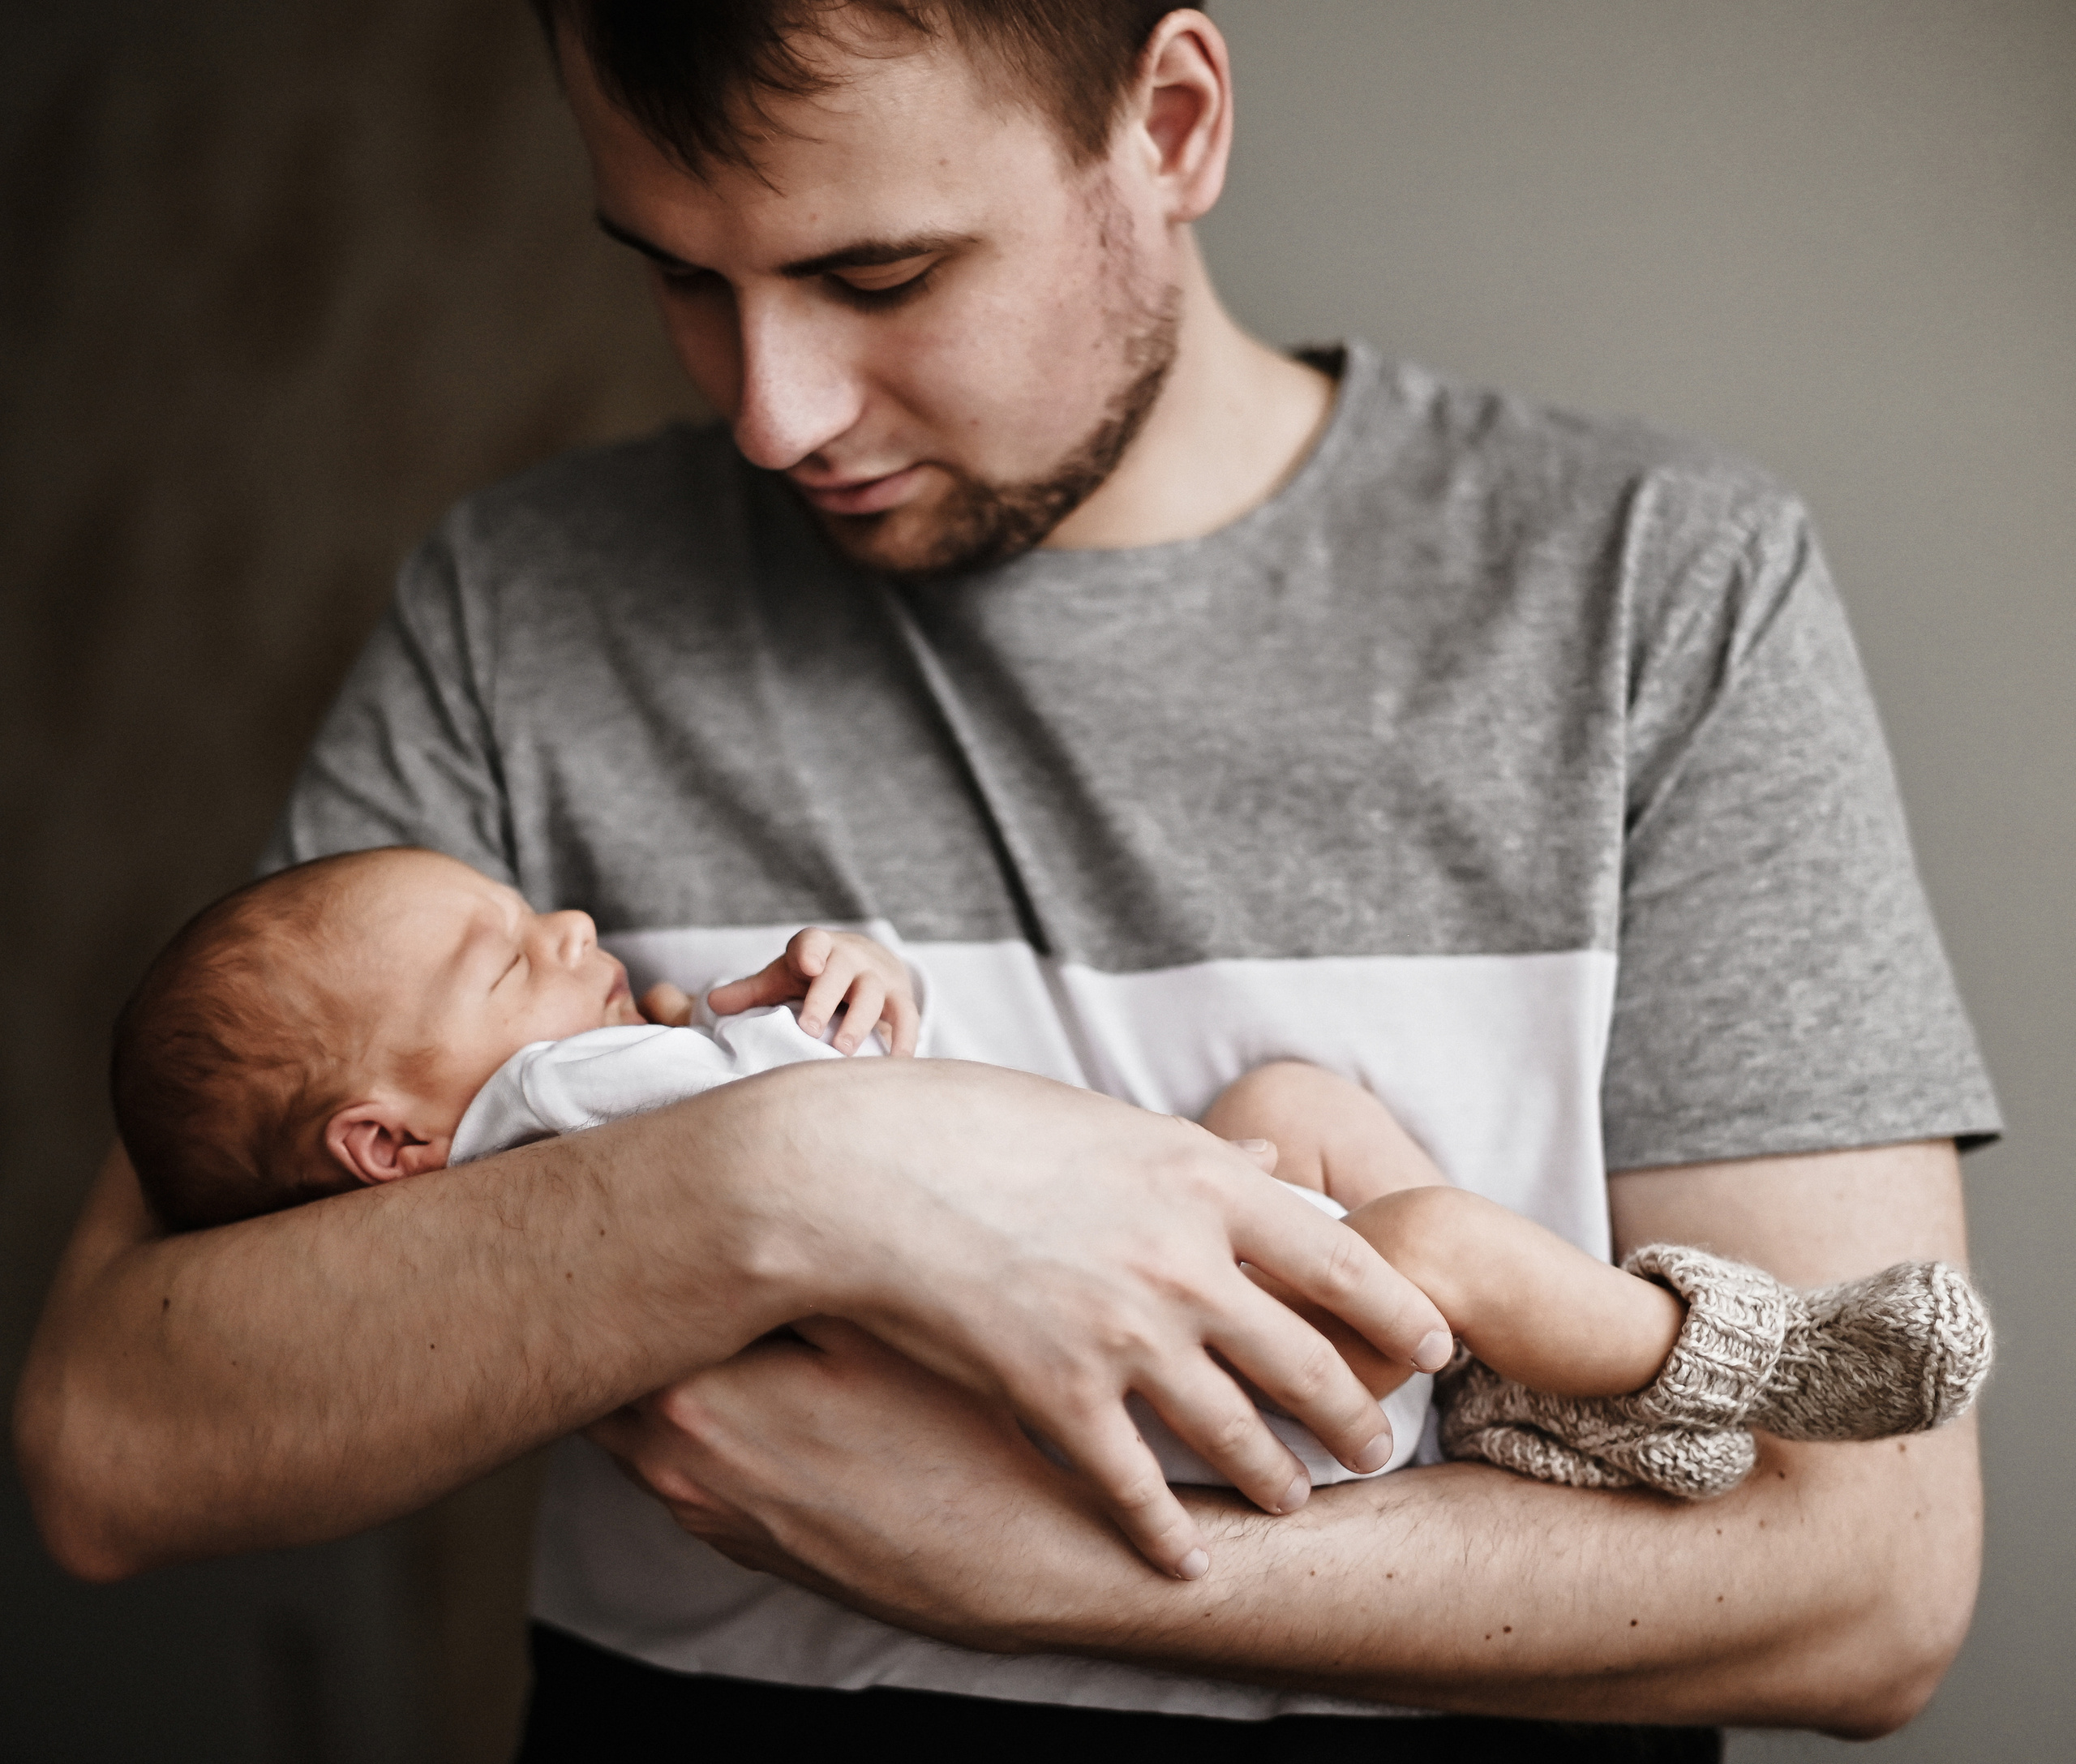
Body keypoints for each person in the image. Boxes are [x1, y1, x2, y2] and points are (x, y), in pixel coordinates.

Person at [15, 4, 2001, 1759]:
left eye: (875, 271)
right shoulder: (528, 612)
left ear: (1172, 123)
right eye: (677, 277)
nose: (769, 412)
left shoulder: (1655, 592)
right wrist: (785, 1184)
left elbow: (1867, 1588)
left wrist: (1046, 1564)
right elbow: (118, 1442)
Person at [111, 843, 1988, 1506]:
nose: (569, 924)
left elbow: (800, 1114)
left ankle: (1522, 1405)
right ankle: (1714, 1359)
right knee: (1418, 1232)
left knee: (1291, 1104)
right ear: (385, 1141)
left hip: (1146, 1284)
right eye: (501, 949)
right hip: (1132, 1370)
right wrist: (796, 1031)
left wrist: (821, 991)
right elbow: (801, 1130)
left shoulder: (569, 1105)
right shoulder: (543, 1114)